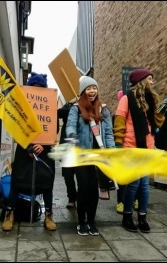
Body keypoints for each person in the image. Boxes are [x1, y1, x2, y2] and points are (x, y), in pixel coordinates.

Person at [113, 68, 167, 233]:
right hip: (131, 146)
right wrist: (118, 144)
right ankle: (127, 216)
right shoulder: (126, 98)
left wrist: (162, 109)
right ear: (141, 80)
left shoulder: (151, 99)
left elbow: (157, 123)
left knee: (145, 185)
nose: (153, 81)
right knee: (134, 184)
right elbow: (119, 121)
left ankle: (142, 217)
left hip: (148, 147)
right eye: (150, 78)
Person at [1, 72, 57, 231]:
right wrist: (28, 146)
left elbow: (53, 128)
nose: (37, 90)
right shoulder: (21, 106)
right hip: (24, 149)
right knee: (17, 181)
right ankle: (9, 213)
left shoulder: (50, 105)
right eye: (34, 87)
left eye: (40, 88)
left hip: (45, 151)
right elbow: (17, 127)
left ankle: (49, 215)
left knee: (46, 182)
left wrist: (43, 145)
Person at [66, 76, 115, 236]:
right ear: (83, 91)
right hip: (82, 155)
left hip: (99, 156)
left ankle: (92, 221)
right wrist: (72, 136)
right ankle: (81, 222)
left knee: (94, 190)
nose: (92, 91)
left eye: (94, 88)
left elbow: (108, 132)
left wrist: (111, 150)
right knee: (83, 189)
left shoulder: (104, 109)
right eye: (88, 88)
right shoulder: (76, 109)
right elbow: (70, 125)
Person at [114, 89, 138, 214]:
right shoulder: (118, 114)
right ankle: (121, 202)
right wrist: (118, 145)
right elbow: (117, 129)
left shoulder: (136, 110)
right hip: (124, 147)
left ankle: (135, 199)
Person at [58, 98, 78, 208]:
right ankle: (72, 198)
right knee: (68, 175)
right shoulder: (69, 105)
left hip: (80, 146)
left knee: (82, 176)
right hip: (66, 147)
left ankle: (81, 197)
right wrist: (73, 106)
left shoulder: (87, 104)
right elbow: (59, 113)